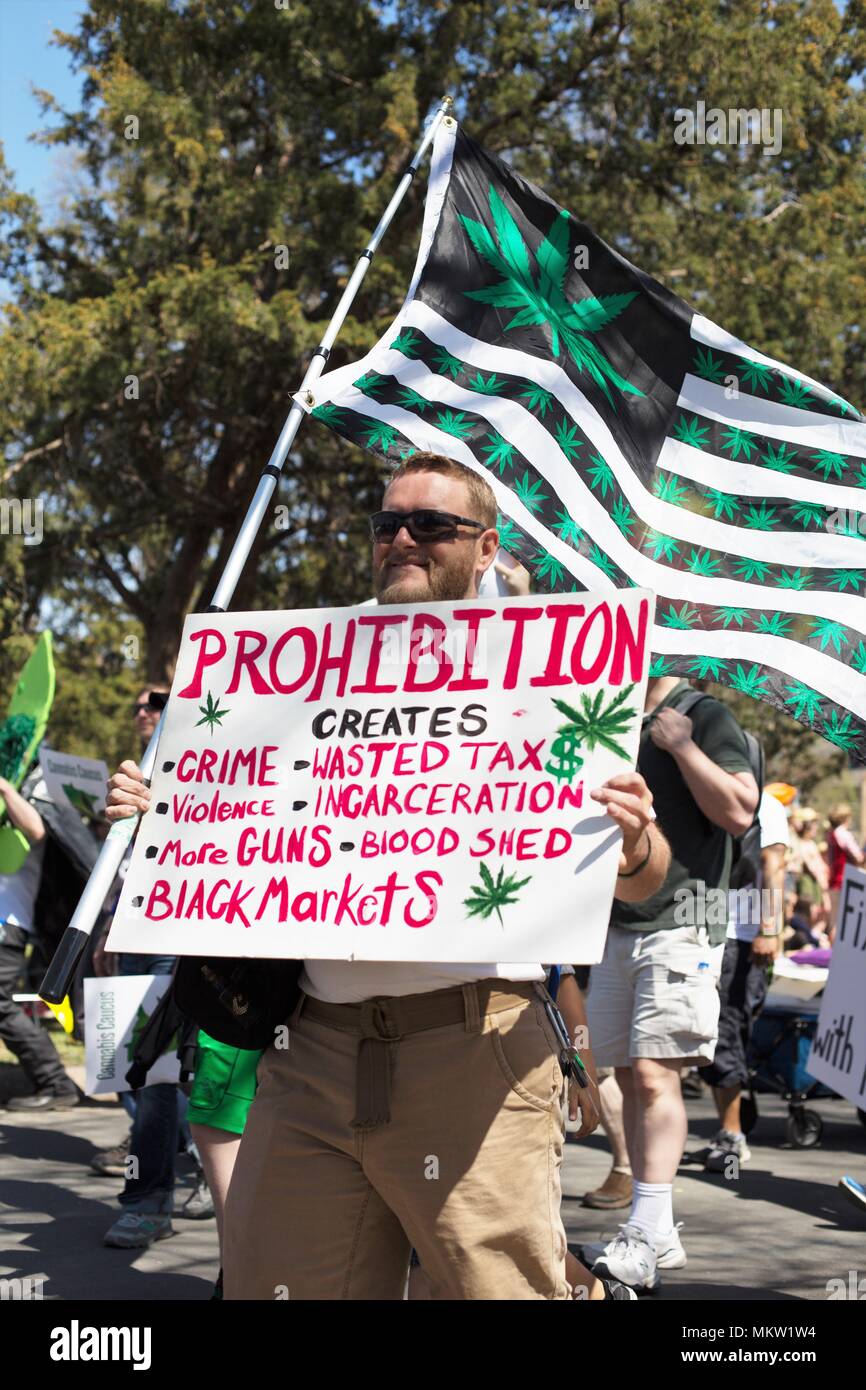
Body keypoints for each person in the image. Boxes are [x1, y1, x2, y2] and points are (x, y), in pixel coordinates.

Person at [107, 453, 670, 1300]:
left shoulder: (552, 669)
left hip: (475, 1056)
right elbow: (247, 815)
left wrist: (633, 842)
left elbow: (646, 880)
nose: (401, 539)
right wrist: (167, 809)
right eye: (386, 524)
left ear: (484, 548)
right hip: (313, 1050)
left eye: (429, 526)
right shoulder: (299, 665)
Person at [582, 677, 758, 1292]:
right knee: (628, 1075)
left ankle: (644, 1230)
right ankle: (656, 1230)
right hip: (613, 925)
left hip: (683, 924)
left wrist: (683, 747)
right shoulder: (610, 711)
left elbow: (740, 810)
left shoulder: (705, 715)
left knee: (656, 1073)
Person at [101, 686, 213, 1248]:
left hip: (173, 934)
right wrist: (106, 931)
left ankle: (148, 1201)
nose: (146, 710)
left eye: (159, 701)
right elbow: (118, 866)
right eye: (141, 704)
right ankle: (204, 1171)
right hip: (132, 931)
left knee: (157, 1075)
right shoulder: (135, 773)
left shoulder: (207, 758)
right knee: (138, 1071)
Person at [701, 790, 789, 1171]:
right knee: (713, 1032)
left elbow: (774, 863)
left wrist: (769, 928)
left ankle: (733, 1136)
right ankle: (728, 1131)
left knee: (727, 1031)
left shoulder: (766, 804)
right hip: (706, 928)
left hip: (740, 933)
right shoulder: (705, 792)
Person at [0, 775, 80, 1111]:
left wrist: (4, 786)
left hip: (7, 923)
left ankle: (56, 1083)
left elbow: (36, 831)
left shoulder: (30, 794)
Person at [826, 804, 865, 936]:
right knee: (844, 922)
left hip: (834, 880)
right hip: (844, 882)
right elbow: (858, 857)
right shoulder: (844, 834)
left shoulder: (831, 834)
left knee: (834, 920)